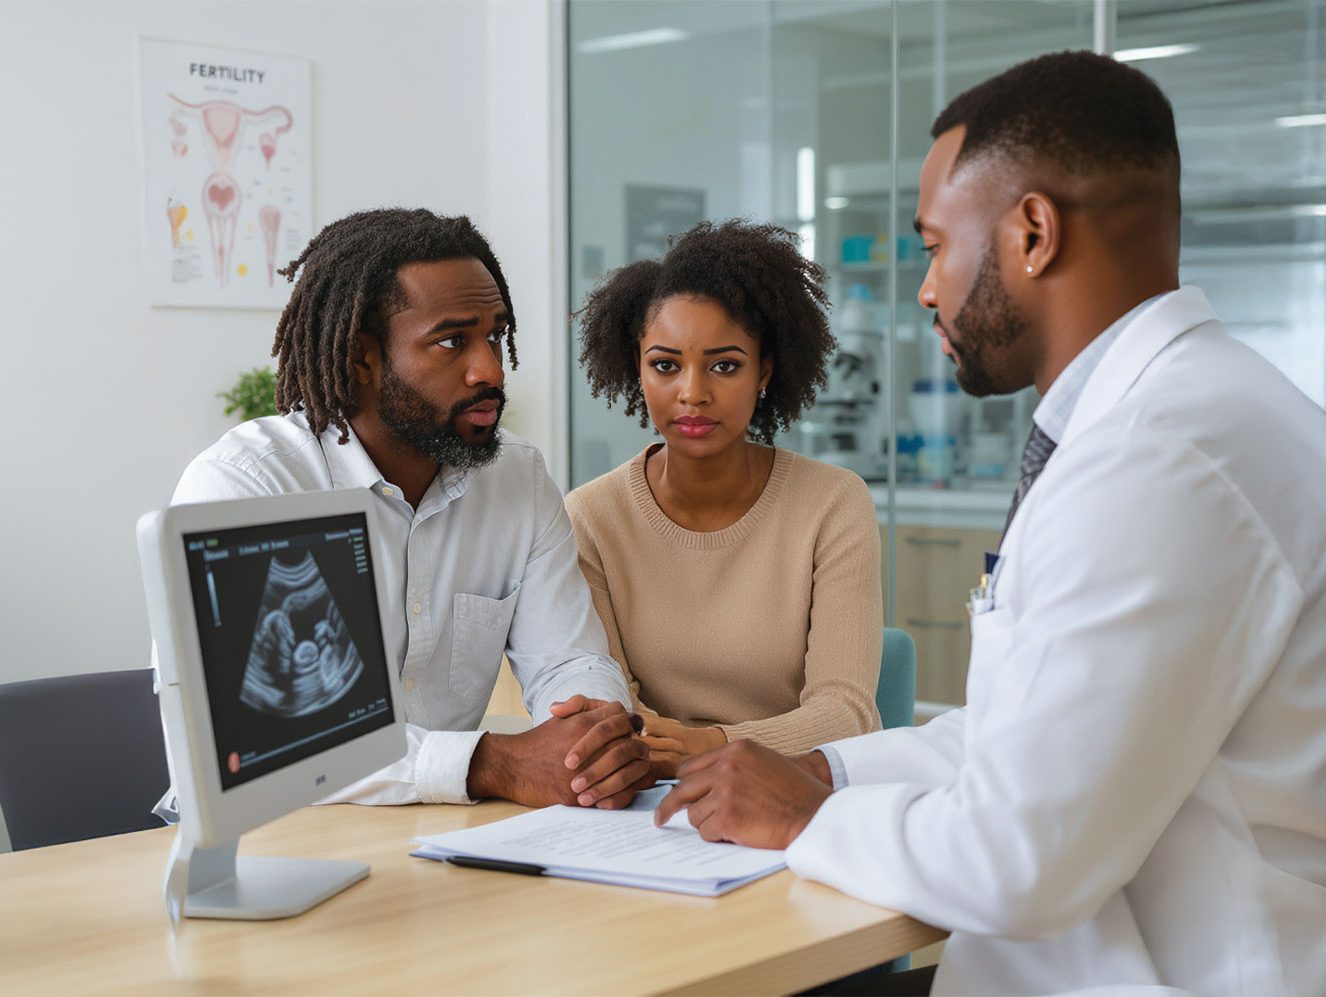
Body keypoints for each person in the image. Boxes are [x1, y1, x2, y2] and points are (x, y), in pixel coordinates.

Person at [655, 52, 1326, 995]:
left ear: (1033, 233)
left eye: (935, 244)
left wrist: (802, 820)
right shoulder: (1188, 416)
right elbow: (1021, 735)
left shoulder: (1159, 459)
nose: (927, 288)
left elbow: (1021, 860)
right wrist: (822, 772)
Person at [171, 208, 649, 811]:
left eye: (495, 336)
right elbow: (273, 740)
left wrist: (595, 741)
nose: (490, 370)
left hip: (437, 845)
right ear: (360, 358)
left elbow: (570, 658)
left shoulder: (516, 480)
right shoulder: (250, 487)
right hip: (269, 846)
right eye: (452, 341)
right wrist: (490, 763)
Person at [566, 220, 882, 777]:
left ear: (765, 371)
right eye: (665, 365)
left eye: (725, 365)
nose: (693, 392)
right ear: (635, 368)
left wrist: (712, 745)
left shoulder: (833, 503)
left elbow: (849, 715)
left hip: (790, 793)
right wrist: (678, 753)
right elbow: (612, 716)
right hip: (643, 803)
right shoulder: (591, 518)